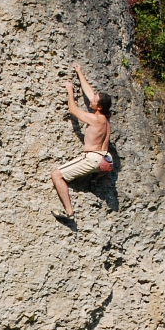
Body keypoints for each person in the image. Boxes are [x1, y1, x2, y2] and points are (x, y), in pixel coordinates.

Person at [51, 63, 112, 223]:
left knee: (57, 175)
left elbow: (74, 110)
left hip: (93, 158)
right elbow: (90, 93)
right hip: (106, 161)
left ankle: (69, 212)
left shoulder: (95, 119)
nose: (91, 100)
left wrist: (70, 91)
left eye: (94, 101)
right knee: (94, 170)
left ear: (98, 107)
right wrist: (79, 72)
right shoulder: (106, 119)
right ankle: (94, 180)